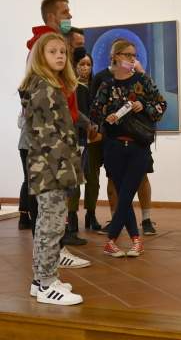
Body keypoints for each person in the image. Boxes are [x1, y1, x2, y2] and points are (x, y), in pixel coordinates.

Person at [24, 0, 91, 266]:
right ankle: (45, 275)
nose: (70, 16)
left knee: (54, 216)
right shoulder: (42, 80)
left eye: (63, 52)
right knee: (48, 218)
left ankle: (48, 269)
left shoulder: (57, 74)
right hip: (50, 158)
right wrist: (63, 169)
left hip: (60, 151)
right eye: (65, 12)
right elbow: (46, 132)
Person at [19, 32, 85, 305]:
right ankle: (47, 285)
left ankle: (40, 281)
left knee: (47, 224)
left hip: (49, 168)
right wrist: (66, 173)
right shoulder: (45, 89)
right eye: (52, 51)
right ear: (39, 57)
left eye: (62, 52)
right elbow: (48, 137)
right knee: (52, 227)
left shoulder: (48, 85)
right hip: (52, 169)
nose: (60, 55)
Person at [90, 39, 166, 257]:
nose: (132, 59)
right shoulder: (106, 84)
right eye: (127, 55)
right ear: (115, 57)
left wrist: (145, 106)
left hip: (138, 146)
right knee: (123, 195)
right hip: (113, 146)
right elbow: (95, 112)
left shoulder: (143, 80)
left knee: (126, 194)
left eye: (134, 55)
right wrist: (108, 116)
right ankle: (135, 240)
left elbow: (161, 106)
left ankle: (111, 239)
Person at [65, 48, 102, 232]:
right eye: (82, 64)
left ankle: (91, 214)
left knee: (92, 178)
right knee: (74, 178)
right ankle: (72, 215)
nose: (85, 68)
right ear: (75, 66)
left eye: (88, 64)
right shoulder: (70, 86)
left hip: (94, 138)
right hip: (75, 139)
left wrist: (96, 129)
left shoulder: (96, 87)